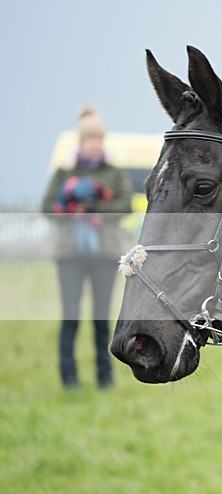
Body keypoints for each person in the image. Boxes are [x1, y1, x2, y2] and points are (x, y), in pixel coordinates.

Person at [41, 106, 132, 389]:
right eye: (89, 139)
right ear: (81, 142)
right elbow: (47, 208)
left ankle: (104, 377)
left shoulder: (114, 172)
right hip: (70, 254)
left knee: (101, 317)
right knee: (71, 315)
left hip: (105, 252)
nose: (94, 144)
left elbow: (124, 205)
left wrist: (95, 207)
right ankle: (68, 377)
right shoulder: (64, 172)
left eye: (98, 139)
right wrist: (72, 209)